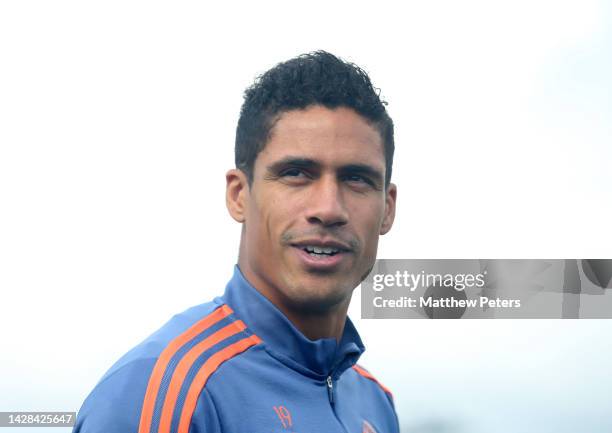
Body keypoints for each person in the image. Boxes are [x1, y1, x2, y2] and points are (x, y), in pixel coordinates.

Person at [74, 51, 399, 433]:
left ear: (387, 208)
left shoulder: (375, 401)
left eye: (357, 179)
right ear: (239, 195)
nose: (328, 209)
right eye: (296, 173)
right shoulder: (165, 392)